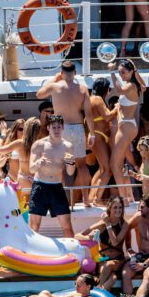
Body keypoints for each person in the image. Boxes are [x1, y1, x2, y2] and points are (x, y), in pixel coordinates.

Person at [36, 61, 95, 207]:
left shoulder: (55, 86)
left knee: (64, 165)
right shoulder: (82, 89)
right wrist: (92, 133)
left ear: (62, 73)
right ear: (75, 73)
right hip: (77, 128)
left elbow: (39, 94)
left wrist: (54, 79)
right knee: (81, 165)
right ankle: (86, 199)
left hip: (60, 130)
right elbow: (88, 113)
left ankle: (66, 201)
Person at [28, 114, 76, 236]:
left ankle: (72, 252)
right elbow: (31, 169)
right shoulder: (39, 145)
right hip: (40, 186)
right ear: (48, 128)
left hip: (56, 186)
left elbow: (70, 172)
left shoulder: (68, 147)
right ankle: (31, 253)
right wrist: (40, 162)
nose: (56, 130)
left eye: (59, 127)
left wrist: (70, 163)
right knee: (34, 226)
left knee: (67, 226)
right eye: (53, 127)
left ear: (63, 128)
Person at [108, 59, 145, 203]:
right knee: (121, 164)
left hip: (126, 128)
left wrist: (111, 72)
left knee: (114, 164)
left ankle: (124, 197)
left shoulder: (130, 86)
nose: (121, 75)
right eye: (119, 72)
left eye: (123, 72)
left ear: (130, 72)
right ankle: (128, 195)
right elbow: (145, 86)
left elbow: (118, 90)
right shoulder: (135, 85)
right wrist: (136, 72)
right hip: (127, 127)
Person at [77, 195, 128, 290]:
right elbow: (78, 235)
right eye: (115, 207)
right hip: (103, 259)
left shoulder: (124, 225)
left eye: (120, 207)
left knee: (109, 266)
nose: (118, 210)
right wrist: (89, 237)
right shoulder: (102, 224)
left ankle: (93, 290)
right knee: (113, 278)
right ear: (109, 208)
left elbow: (115, 243)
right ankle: (98, 293)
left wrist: (108, 224)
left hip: (118, 260)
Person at [89, 78, 117, 205]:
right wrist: (117, 107)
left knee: (101, 170)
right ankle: (97, 199)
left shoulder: (91, 98)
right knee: (107, 170)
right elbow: (107, 116)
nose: (109, 91)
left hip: (98, 136)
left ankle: (91, 197)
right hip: (99, 136)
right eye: (109, 89)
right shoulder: (98, 99)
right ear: (104, 89)